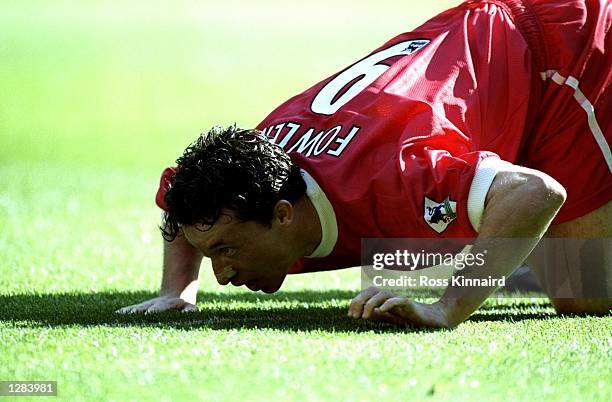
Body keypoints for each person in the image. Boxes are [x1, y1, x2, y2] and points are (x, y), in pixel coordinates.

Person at [117, 0, 611, 327]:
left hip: (559, 51)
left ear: (284, 216)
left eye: (225, 250)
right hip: (485, 50)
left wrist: (448, 308)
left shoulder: (399, 177)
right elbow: (180, 197)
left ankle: (510, 249)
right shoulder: (255, 179)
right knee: (428, 245)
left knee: (586, 294)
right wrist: (177, 292)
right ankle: (510, 250)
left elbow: (536, 192)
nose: (222, 274)